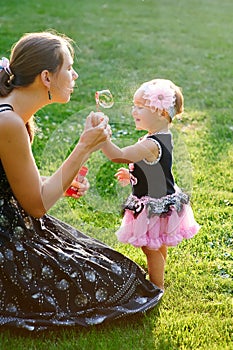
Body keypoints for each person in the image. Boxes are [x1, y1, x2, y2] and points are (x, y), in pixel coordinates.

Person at [0, 32, 163, 331]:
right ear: (46, 77)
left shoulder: (11, 111)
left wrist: (63, 181)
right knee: (114, 280)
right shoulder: (8, 122)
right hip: (8, 240)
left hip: (14, 226)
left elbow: (17, 183)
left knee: (111, 266)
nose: (75, 75)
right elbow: (36, 205)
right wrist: (84, 147)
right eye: (70, 67)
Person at [101, 78, 200, 290]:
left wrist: (101, 139)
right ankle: (159, 273)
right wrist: (133, 176)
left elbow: (118, 155)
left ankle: (156, 287)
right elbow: (155, 168)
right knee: (159, 242)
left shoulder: (150, 144)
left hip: (153, 205)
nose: (133, 111)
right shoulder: (161, 136)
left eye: (140, 107)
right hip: (163, 199)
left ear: (161, 113)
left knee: (150, 248)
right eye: (134, 106)